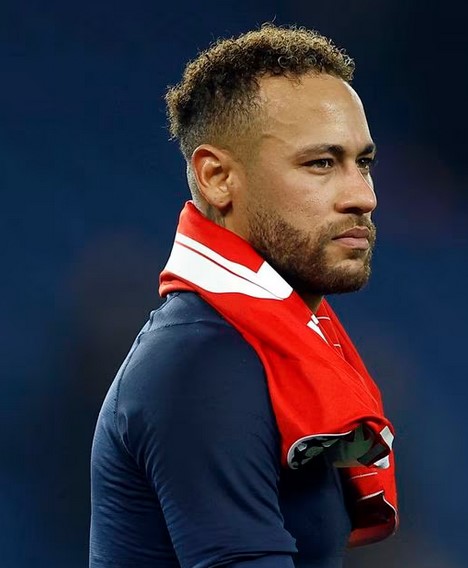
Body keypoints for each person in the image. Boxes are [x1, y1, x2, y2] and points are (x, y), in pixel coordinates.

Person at [89, 24, 398, 568]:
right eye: (321, 164)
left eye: (363, 162)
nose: (362, 196)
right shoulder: (203, 364)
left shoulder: (261, 346)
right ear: (216, 177)